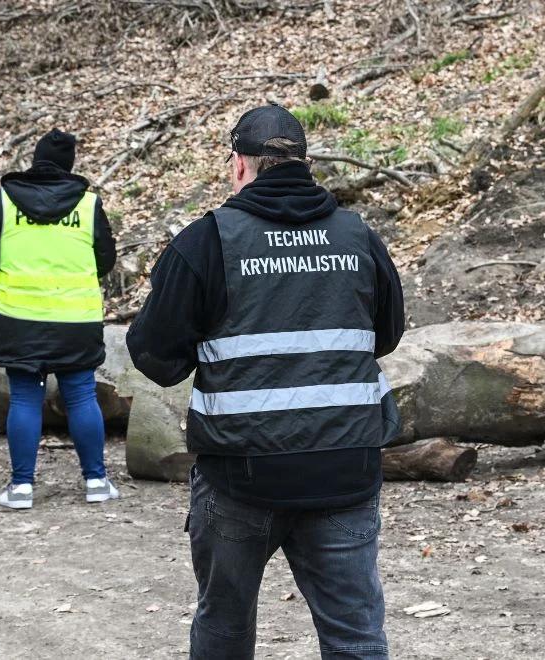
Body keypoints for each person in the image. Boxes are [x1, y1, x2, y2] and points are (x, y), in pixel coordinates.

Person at [126, 103, 405, 659]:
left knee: (224, 630)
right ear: (306, 163)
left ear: (239, 166)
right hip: (344, 468)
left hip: (239, 477)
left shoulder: (207, 242)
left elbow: (154, 355)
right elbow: (388, 334)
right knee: (355, 639)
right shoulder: (358, 236)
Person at [0, 129, 119, 510]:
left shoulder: (3, 201)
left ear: (35, 159)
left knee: (24, 397)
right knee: (82, 396)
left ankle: (21, 488)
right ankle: (97, 481)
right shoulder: (87, 205)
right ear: (70, 164)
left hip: (18, 318)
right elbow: (105, 260)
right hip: (76, 320)